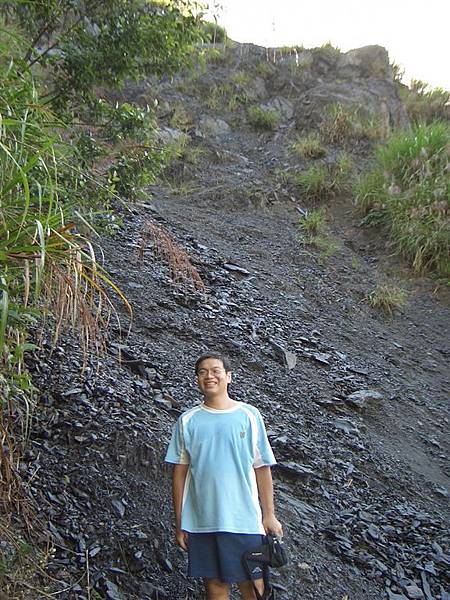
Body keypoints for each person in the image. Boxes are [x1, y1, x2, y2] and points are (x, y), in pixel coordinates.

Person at [165, 352, 283, 600]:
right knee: (215, 588)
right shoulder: (187, 421)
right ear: (197, 379)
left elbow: (262, 468)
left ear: (229, 377)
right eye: (202, 372)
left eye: (216, 370)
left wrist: (269, 514)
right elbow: (179, 474)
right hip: (202, 521)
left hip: (245, 520)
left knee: (253, 588)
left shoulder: (249, 415)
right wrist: (180, 522)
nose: (209, 376)